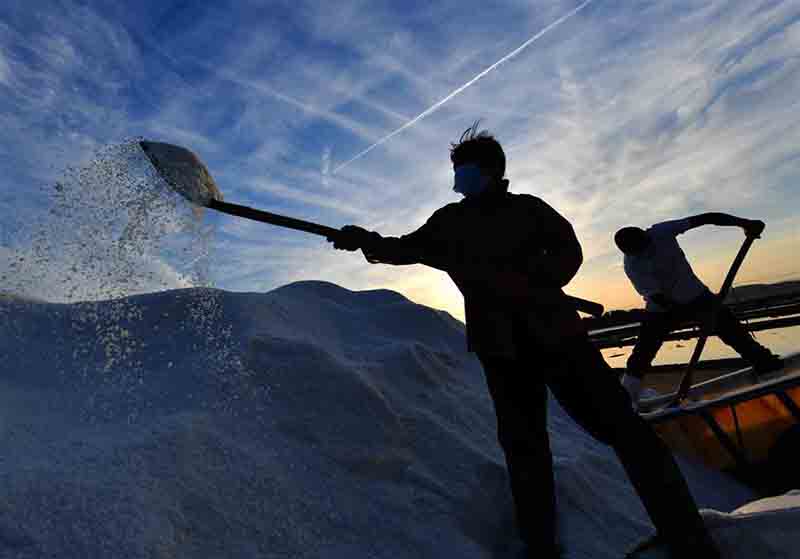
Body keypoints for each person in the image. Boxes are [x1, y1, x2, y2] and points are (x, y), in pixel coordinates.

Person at [327, 123, 720, 558]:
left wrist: (537, 279)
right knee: (524, 448)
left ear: (493, 170)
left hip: (557, 337)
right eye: (456, 168)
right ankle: (540, 546)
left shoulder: (529, 210)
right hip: (501, 350)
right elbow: (403, 248)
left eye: (466, 168)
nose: (459, 177)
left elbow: (569, 252)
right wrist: (361, 240)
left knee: (624, 430)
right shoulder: (450, 221)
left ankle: (685, 532)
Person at [615, 215, 783, 407]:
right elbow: (658, 298)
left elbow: (707, 218)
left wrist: (746, 223)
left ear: (645, 235)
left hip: (697, 296)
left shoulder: (661, 231)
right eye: (637, 251)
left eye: (643, 245)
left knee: (732, 330)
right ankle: (626, 398)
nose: (644, 251)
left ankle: (766, 364)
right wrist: (692, 315)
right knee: (643, 352)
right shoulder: (633, 265)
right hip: (662, 310)